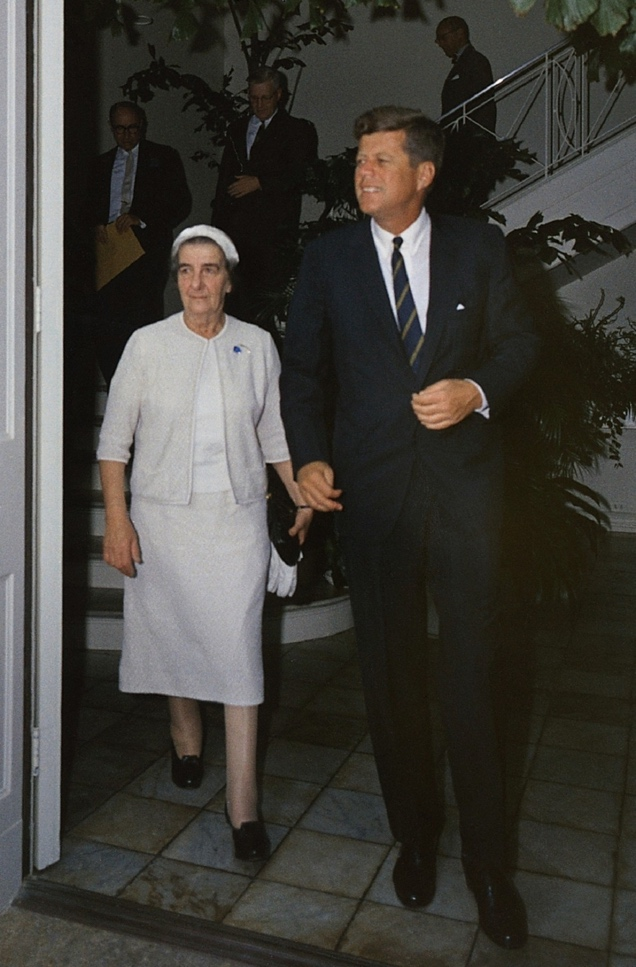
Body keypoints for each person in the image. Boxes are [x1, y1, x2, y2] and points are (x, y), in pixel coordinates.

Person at [280, 107, 539, 949]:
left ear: (423, 174)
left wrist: (476, 391)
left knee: (474, 683)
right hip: (374, 500)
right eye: (359, 160)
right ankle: (417, 840)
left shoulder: (477, 246)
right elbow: (304, 373)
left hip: (466, 499)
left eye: (380, 160)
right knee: (392, 684)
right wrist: (311, 459)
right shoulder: (327, 260)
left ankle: (490, 866)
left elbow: (522, 347)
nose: (362, 173)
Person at [97, 224, 312, 861]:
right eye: (187, 270)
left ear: (229, 278)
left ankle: (242, 802)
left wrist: (299, 496)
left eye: (210, 269)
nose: (197, 282)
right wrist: (117, 520)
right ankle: (183, 731)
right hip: (163, 521)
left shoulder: (257, 344)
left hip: (237, 521)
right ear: (175, 278)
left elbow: (275, 434)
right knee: (175, 631)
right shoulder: (145, 345)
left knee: (240, 652)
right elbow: (114, 446)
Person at [91, 101, 192, 386]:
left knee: (142, 321)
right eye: (120, 129)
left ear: (142, 126)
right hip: (109, 253)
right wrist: (95, 224)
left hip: (145, 253)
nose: (126, 135)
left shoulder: (164, 157)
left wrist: (142, 218)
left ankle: (146, 386)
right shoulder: (100, 164)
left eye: (132, 128)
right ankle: (115, 385)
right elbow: (82, 205)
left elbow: (180, 203)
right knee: (107, 324)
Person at [212, 67, 318, 326]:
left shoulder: (296, 130)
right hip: (235, 235)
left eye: (265, 98)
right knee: (231, 311)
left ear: (279, 95)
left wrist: (260, 183)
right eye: (253, 98)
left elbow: (303, 174)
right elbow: (224, 181)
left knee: (261, 315)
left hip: (271, 239)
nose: (258, 105)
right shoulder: (237, 130)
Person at [436, 17, 496, 135]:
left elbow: (481, 105)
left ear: (460, 34)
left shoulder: (476, 61)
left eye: (443, 38)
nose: (439, 43)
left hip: (468, 141)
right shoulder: (468, 62)